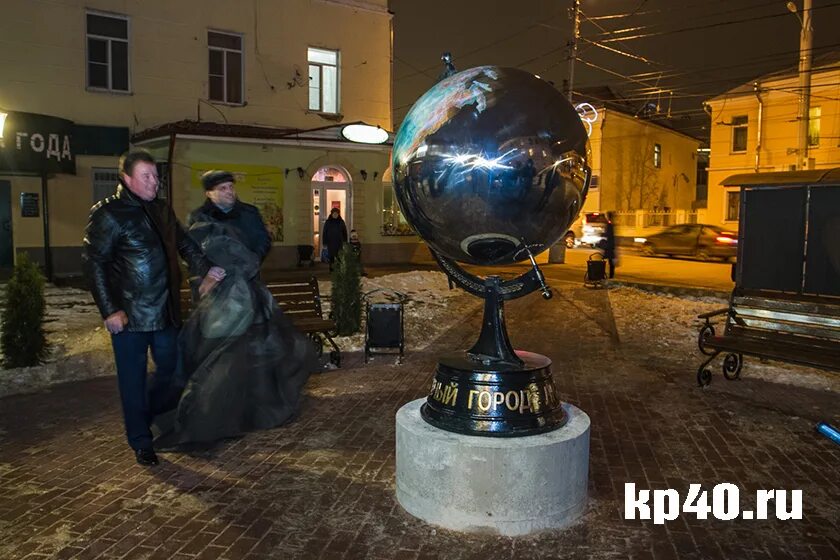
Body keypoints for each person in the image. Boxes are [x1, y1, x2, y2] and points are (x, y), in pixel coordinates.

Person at [151, 170, 317, 447]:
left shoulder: (248, 213)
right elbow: (193, 254)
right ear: (209, 193)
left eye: (230, 187)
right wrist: (211, 271)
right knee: (220, 357)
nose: (229, 192)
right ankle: (217, 414)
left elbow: (263, 242)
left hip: (249, 295)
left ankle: (250, 411)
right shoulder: (200, 219)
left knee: (256, 354)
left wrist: (246, 261)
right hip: (219, 303)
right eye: (223, 189)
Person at [83, 151, 225, 466]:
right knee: (131, 380)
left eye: (156, 175)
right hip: (129, 317)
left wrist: (207, 267)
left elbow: (185, 243)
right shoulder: (109, 214)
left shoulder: (161, 209)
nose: (154, 182)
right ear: (127, 179)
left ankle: (146, 412)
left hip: (165, 311)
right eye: (146, 176)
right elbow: (95, 265)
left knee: (174, 371)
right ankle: (141, 440)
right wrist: (110, 310)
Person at [603, 211, 617, 279]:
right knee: (610, 261)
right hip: (610, 245)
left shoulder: (609, 224)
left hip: (609, 246)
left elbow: (608, 234)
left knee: (610, 261)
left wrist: (602, 234)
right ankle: (611, 275)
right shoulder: (611, 223)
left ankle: (611, 276)